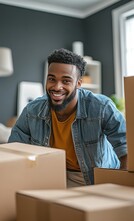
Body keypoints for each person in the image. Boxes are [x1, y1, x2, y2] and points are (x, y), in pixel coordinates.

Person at [8, 48, 127, 187]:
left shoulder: (101, 107)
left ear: (78, 83)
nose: (57, 87)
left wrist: (121, 185)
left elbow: (125, 147)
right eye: (52, 79)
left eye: (66, 81)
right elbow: (13, 151)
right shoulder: (32, 111)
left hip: (95, 180)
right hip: (54, 178)